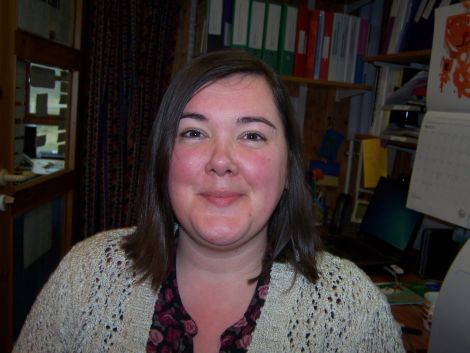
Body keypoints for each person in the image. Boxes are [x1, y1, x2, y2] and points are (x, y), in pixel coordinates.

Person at [13, 50, 405, 353]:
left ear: (288, 169)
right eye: (194, 133)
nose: (221, 161)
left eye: (252, 135)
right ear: (164, 161)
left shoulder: (350, 310)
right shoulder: (84, 277)